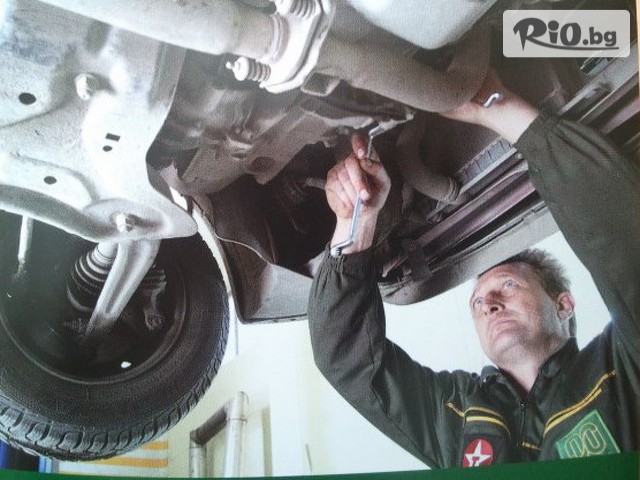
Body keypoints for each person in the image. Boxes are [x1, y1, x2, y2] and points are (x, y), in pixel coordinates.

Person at [307, 71, 640, 468]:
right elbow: (351, 362)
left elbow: (621, 245)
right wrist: (357, 222)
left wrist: (503, 111)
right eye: (478, 303)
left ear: (564, 304)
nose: (488, 305)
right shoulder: (460, 410)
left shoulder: (620, 372)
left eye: (508, 286)